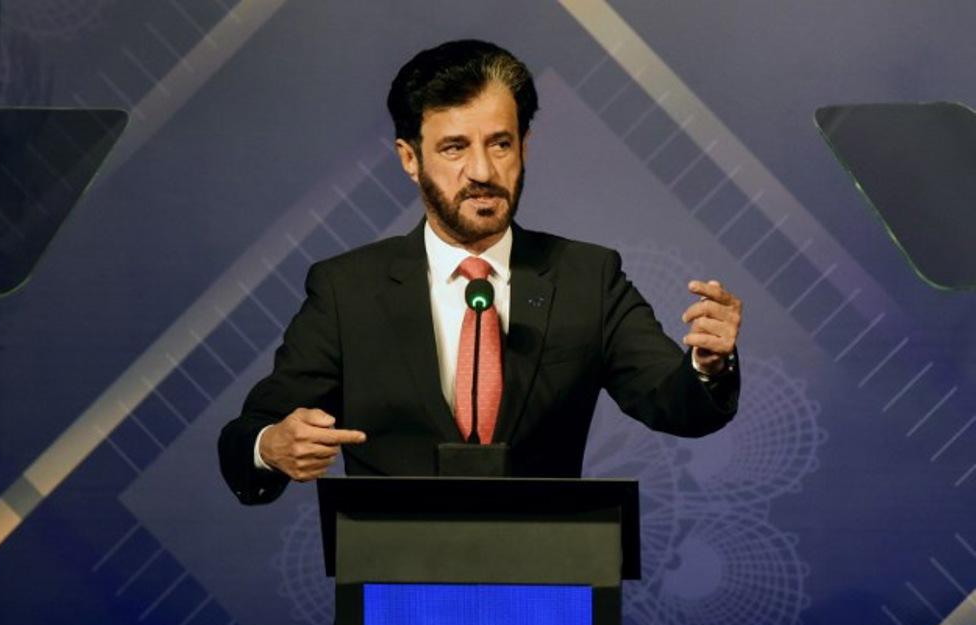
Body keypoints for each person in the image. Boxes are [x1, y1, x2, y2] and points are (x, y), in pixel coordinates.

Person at [218, 39, 741, 504]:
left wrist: (709, 367)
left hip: (546, 590)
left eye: (500, 143)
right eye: (454, 148)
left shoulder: (588, 277)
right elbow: (251, 431)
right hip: (393, 593)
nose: (484, 172)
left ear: (524, 147)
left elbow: (679, 406)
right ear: (409, 158)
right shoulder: (347, 290)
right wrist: (271, 446)